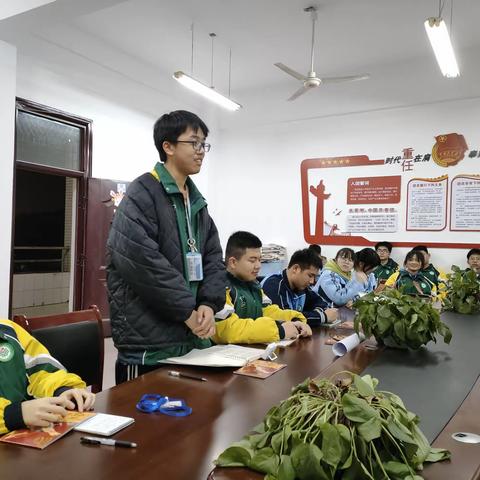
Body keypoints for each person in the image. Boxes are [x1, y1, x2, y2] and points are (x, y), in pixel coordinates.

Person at [107, 110, 226, 384]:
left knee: (192, 422)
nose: (201, 151)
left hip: (190, 339)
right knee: (144, 425)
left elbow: (212, 256)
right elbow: (143, 265)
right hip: (149, 345)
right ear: (168, 146)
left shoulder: (196, 202)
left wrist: (208, 302)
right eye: (194, 142)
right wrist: (187, 311)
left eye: (204, 144)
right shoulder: (142, 193)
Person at [213, 232, 312, 344]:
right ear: (233, 262)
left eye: (259, 260)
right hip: (225, 358)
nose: (258, 265)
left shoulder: (254, 284)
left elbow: (267, 311)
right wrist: (279, 330)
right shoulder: (218, 286)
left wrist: (295, 321)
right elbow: (227, 329)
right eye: (252, 260)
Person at [0, 320, 95, 434]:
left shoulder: (8, 330)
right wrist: (13, 414)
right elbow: (14, 415)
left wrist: (61, 390)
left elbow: (42, 371)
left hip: (27, 437)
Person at [261, 248, 338, 327]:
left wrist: (316, 313)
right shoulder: (273, 285)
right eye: (310, 275)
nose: (312, 281)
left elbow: (321, 303)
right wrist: (322, 317)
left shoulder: (300, 286)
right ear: (295, 269)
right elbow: (287, 318)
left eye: (314, 277)